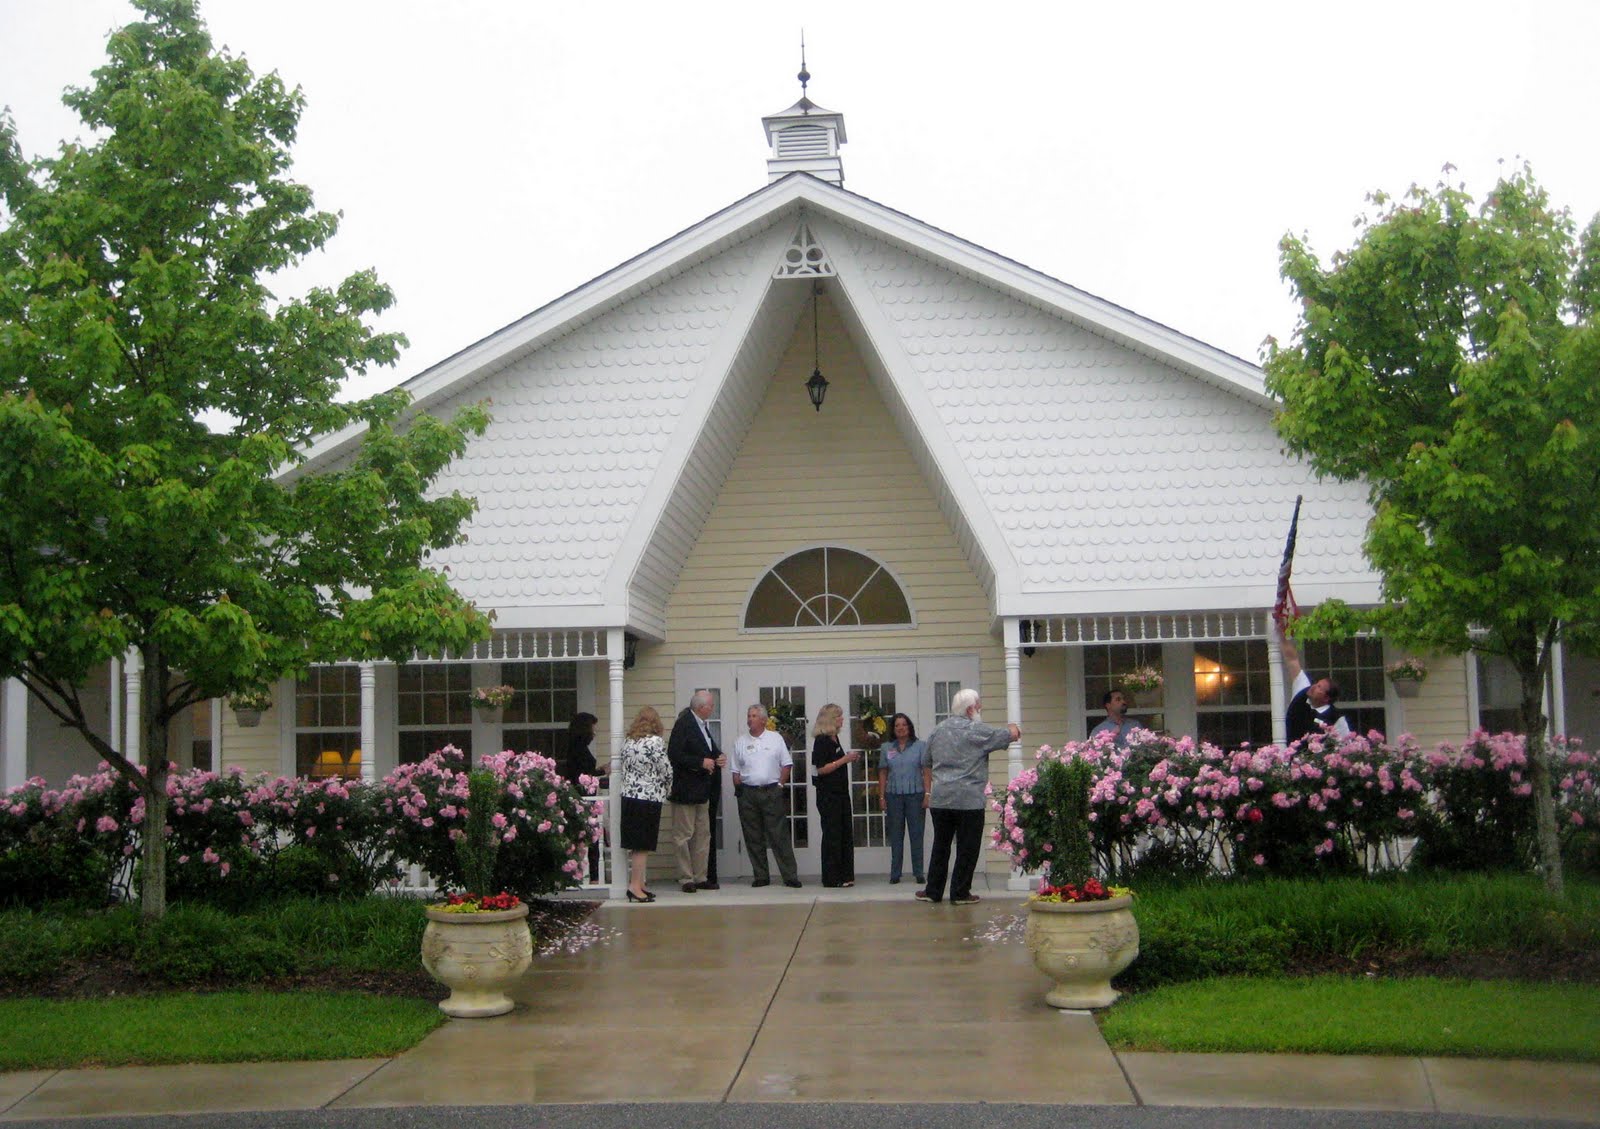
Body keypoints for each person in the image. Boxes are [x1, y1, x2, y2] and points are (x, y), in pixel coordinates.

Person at [917, 688, 1020, 906]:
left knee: (941, 845)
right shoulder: (977, 730)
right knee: (967, 846)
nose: (980, 709)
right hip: (969, 798)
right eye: (979, 705)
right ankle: (960, 892)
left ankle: (933, 891)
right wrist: (1013, 726)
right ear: (971, 708)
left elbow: (926, 760)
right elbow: (1011, 735)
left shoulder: (938, 730)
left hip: (941, 797)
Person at [731, 704, 802, 888]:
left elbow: (787, 764)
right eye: (749, 715)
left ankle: (790, 875)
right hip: (748, 793)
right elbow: (735, 770)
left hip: (771, 791)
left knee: (779, 835)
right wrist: (739, 789)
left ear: (763, 720)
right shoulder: (740, 741)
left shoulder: (775, 738)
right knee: (753, 836)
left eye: (754, 715)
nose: (750, 719)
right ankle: (761, 876)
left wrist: (780, 785)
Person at [667, 690, 724, 893]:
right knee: (684, 835)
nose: (712, 708)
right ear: (701, 707)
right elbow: (674, 754)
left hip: (702, 789)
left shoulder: (702, 726)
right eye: (710, 705)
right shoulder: (684, 724)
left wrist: (718, 756)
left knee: (703, 834)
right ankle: (686, 877)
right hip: (686, 788)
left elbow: (708, 751)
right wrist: (700, 762)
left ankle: (701, 876)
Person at [617, 706, 672, 903]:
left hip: (628, 797)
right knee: (642, 845)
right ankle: (634, 886)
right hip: (648, 797)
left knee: (637, 844)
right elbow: (665, 768)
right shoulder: (655, 742)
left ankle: (639, 884)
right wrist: (667, 786)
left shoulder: (627, 742)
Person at [810, 703, 859, 888]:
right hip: (828, 796)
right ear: (831, 719)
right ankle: (831, 877)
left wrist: (847, 758)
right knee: (832, 835)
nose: (842, 719)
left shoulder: (835, 738)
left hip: (841, 794)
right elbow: (822, 768)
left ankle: (846, 874)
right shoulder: (822, 740)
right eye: (838, 716)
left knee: (845, 833)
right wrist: (844, 760)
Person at [877, 712, 929, 885]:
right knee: (896, 835)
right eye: (897, 725)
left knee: (916, 834)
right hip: (893, 797)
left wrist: (928, 794)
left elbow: (926, 770)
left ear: (909, 727)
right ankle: (895, 873)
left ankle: (919, 872)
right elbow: (883, 772)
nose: (900, 728)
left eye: (904, 725)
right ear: (893, 729)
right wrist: (882, 796)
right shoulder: (887, 748)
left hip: (915, 795)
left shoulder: (920, 746)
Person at [1280, 633, 1351, 744]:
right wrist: (1282, 633)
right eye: (1316, 683)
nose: (1313, 687)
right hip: (1291, 759)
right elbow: (1292, 660)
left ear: (1326, 698)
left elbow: (1346, 746)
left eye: (1319, 687)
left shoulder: (1336, 718)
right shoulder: (1301, 694)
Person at [561, 711, 604, 880]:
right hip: (581, 800)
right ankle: (592, 876)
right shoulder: (577, 748)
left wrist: (599, 771)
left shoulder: (577, 747)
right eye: (593, 728)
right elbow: (579, 774)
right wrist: (599, 772)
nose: (594, 732)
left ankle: (590, 875)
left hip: (585, 799)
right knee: (589, 837)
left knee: (590, 837)